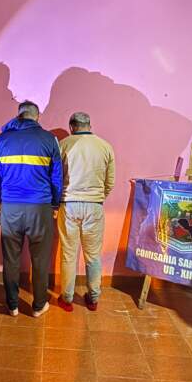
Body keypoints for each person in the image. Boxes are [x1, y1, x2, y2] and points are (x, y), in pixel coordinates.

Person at [0, 101, 62, 318]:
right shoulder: (49, 139)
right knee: (40, 259)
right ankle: (39, 305)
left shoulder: (2, 139)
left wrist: (2, 199)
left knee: (10, 258)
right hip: (40, 207)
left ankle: (12, 305)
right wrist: (55, 204)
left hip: (10, 207)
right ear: (37, 117)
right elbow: (57, 177)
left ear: (18, 116)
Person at [56, 112, 115, 312]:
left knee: (69, 254)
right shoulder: (105, 146)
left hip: (69, 204)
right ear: (90, 125)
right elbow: (110, 182)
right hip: (94, 205)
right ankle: (93, 298)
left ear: (71, 127)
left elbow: (56, 178)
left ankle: (67, 298)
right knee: (93, 255)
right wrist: (98, 197)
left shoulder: (63, 145)